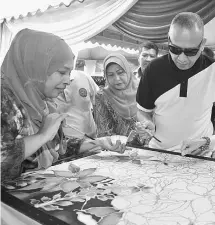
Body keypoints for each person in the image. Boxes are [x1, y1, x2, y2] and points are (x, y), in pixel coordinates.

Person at [1, 29, 126, 181]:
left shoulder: (42, 105)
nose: (67, 80)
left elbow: (60, 148)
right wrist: (42, 135)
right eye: (61, 72)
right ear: (36, 67)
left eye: (69, 73)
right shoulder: (6, 102)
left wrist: (97, 143)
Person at [136, 12, 215, 151]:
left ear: (202, 44)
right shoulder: (153, 69)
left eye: (190, 52)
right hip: (159, 152)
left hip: (199, 154)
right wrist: (146, 123)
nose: (182, 58)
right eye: (175, 49)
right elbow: (142, 111)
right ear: (169, 40)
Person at [94, 53, 139, 138]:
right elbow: (104, 132)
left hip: (149, 148)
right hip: (117, 148)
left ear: (128, 71)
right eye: (111, 75)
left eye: (120, 73)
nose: (117, 79)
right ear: (106, 76)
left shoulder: (143, 90)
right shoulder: (102, 97)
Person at [54, 69, 99, 139]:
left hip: (91, 138)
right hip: (62, 142)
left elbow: (98, 103)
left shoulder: (83, 77)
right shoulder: (47, 83)